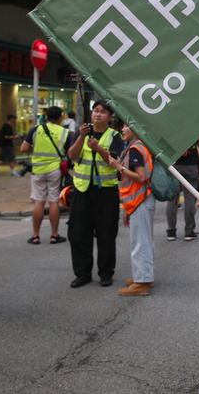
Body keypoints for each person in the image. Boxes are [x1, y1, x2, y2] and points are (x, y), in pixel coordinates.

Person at [66, 101, 123, 288]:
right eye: (95, 111)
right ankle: (82, 273)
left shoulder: (114, 135)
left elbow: (114, 161)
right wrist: (82, 138)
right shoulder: (80, 133)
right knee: (79, 233)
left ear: (109, 117)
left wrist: (98, 148)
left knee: (106, 233)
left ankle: (106, 273)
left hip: (106, 192)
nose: (98, 115)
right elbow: (72, 156)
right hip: (82, 190)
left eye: (102, 112)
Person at [107, 123, 156, 296]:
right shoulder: (140, 146)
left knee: (140, 242)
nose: (122, 129)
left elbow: (141, 177)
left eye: (126, 126)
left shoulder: (136, 148)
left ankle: (141, 282)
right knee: (145, 240)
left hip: (140, 199)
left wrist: (119, 167)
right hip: (140, 200)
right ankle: (145, 277)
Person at [19, 106, 72, 245]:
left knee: (39, 201)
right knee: (54, 201)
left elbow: (23, 148)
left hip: (37, 170)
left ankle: (35, 236)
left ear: (46, 117)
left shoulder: (36, 129)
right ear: (61, 118)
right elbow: (70, 153)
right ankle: (54, 235)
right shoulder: (64, 132)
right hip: (55, 170)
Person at [165, 135, 199, 242]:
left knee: (172, 198)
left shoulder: (174, 123)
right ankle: (189, 231)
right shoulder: (197, 123)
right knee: (190, 199)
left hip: (174, 165)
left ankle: (171, 231)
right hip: (191, 165)